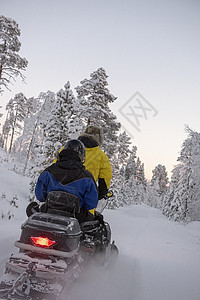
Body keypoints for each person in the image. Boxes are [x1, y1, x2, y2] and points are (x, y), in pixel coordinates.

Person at [35, 139, 98, 222]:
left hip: (49, 210)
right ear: (81, 155)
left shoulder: (49, 171)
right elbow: (91, 204)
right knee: (97, 224)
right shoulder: (87, 177)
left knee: (33, 211)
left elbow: (40, 196)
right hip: (76, 216)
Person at [77, 125, 112, 200]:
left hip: (58, 193)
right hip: (83, 197)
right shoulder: (102, 156)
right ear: (99, 138)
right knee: (89, 209)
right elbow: (105, 179)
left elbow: (54, 166)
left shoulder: (68, 147)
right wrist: (101, 194)